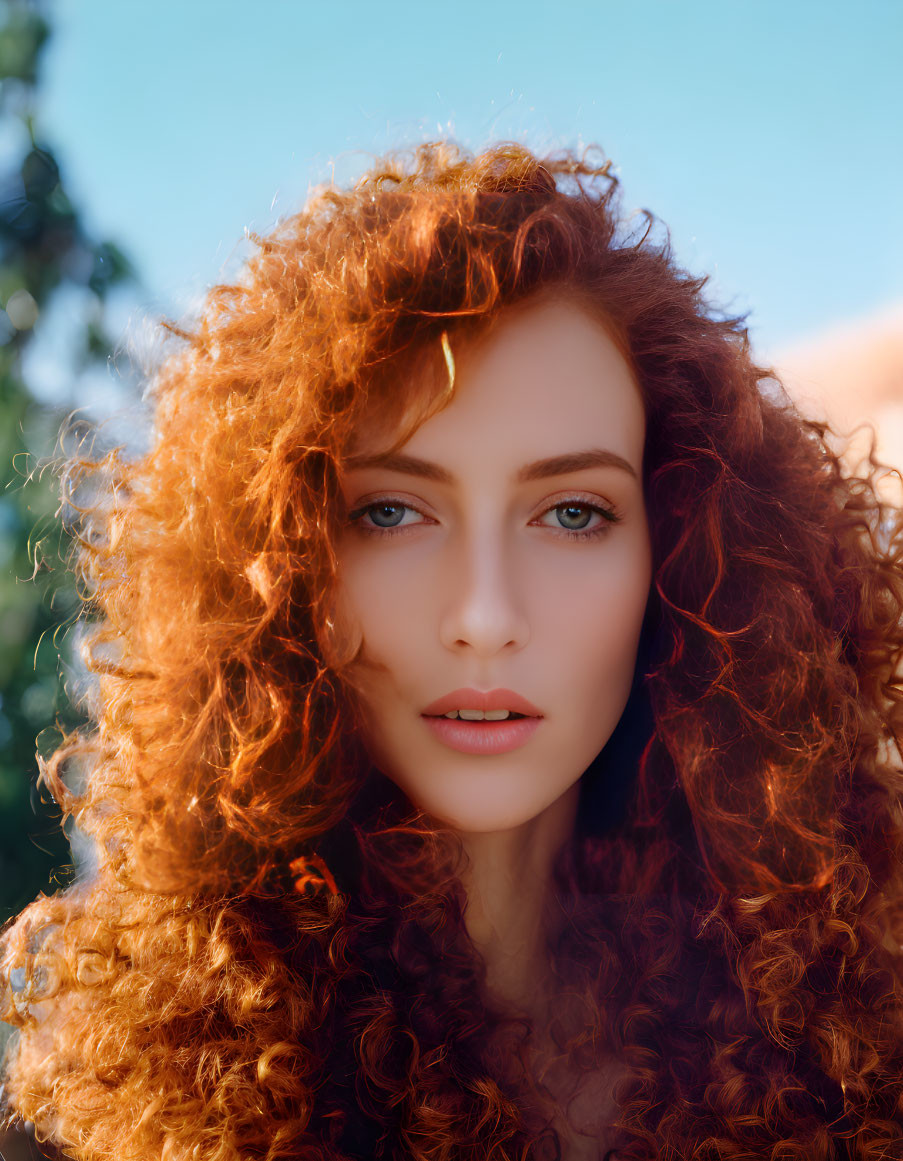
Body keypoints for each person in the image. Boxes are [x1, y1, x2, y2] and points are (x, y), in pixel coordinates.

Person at [1, 140, 902, 1161]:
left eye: (571, 514)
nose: (483, 614)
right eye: (392, 511)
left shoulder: (850, 1061)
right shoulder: (125, 1112)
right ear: (288, 566)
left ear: (683, 558)